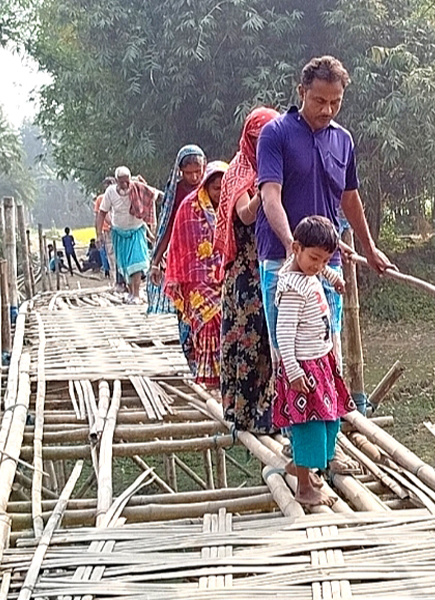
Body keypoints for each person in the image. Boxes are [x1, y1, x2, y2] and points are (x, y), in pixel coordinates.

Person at [256, 56, 394, 369]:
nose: (327, 110)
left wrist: (369, 249)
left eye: (335, 102)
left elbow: (349, 197)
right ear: (301, 91)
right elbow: (270, 196)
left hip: (326, 263)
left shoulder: (343, 140)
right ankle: (293, 418)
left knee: (328, 356)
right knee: (288, 358)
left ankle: (330, 418)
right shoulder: (275, 134)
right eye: (319, 100)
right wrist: (295, 247)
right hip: (282, 260)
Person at [273, 216, 356, 507]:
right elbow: (283, 333)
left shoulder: (308, 272)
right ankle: (304, 487)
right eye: (315, 258)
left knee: (330, 419)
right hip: (304, 367)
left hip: (320, 362)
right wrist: (293, 371)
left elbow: (322, 274)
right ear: (296, 248)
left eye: (325, 260)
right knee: (310, 425)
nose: (319, 265)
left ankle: (301, 466)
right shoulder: (293, 288)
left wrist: (334, 277)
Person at [214, 107, 279, 434]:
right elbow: (245, 215)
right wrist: (266, 192)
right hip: (246, 273)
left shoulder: (281, 162)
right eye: (259, 138)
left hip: (275, 263)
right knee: (249, 338)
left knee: (275, 338)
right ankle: (244, 412)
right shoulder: (238, 172)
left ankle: (272, 412)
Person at [163, 161, 228, 387]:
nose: (220, 193)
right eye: (215, 188)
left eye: (223, 187)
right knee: (207, 323)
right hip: (196, 281)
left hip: (227, 277)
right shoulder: (188, 209)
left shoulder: (236, 206)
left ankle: (225, 375)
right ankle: (208, 376)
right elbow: (179, 247)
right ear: (206, 187)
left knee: (225, 322)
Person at [149, 145, 206, 361]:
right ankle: (192, 354)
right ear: (179, 171)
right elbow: (168, 227)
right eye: (188, 172)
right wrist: (156, 262)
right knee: (187, 307)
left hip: (209, 259)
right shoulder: (175, 193)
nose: (194, 177)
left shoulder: (212, 185)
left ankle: (209, 357)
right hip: (183, 259)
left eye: (197, 171)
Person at [96, 166, 160, 304]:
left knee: (136, 262)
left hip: (136, 230)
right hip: (118, 232)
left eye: (127, 181)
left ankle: (136, 294)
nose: (125, 185)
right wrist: (99, 234)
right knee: (125, 265)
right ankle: (131, 293)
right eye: (122, 182)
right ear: (116, 181)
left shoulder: (138, 188)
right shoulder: (110, 192)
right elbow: (102, 213)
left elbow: (154, 194)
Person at [93, 176, 122, 288]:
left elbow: (98, 217)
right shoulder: (114, 197)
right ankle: (117, 281)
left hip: (113, 230)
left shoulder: (103, 198)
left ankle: (118, 281)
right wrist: (99, 234)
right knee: (114, 256)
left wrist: (98, 233)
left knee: (114, 256)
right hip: (113, 230)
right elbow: (99, 216)